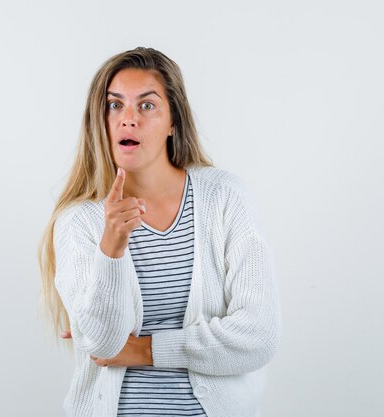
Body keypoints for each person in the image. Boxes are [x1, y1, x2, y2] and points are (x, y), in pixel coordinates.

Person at [38, 46, 282, 417]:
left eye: (147, 105)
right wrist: (112, 249)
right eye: (114, 105)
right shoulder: (79, 222)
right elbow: (103, 344)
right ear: (99, 121)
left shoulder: (224, 198)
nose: (128, 119)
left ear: (173, 122)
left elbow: (258, 336)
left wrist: (144, 349)